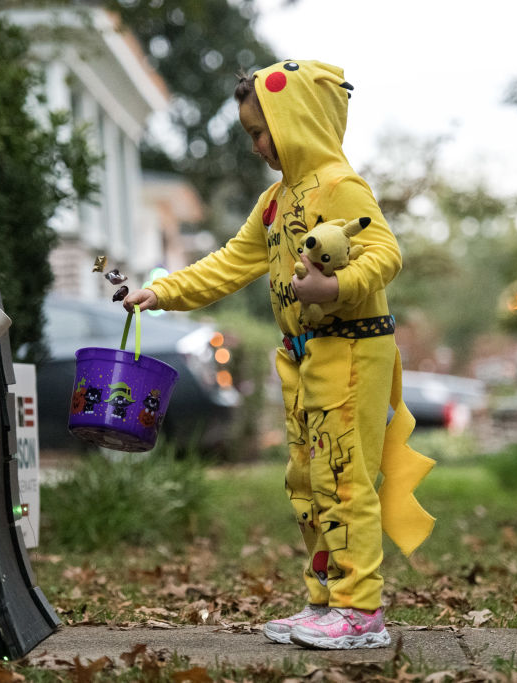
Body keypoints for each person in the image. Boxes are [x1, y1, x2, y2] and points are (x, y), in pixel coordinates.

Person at [123, 60, 436, 650]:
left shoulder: (340, 185)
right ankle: (325, 601)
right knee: (309, 481)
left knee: (344, 479)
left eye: (259, 132)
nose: (255, 146)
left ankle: (360, 609)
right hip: (302, 357)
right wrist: (160, 291)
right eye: (249, 134)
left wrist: (334, 288)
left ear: (296, 121)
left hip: (350, 350)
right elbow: (228, 263)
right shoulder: (276, 201)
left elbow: (383, 252)